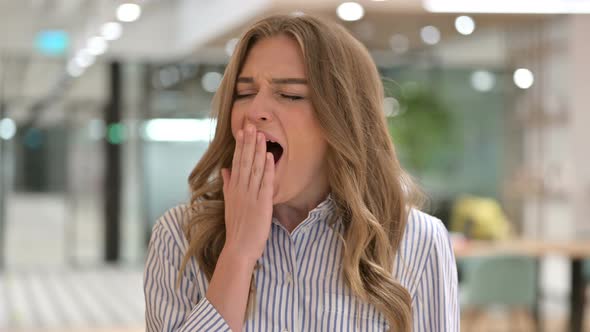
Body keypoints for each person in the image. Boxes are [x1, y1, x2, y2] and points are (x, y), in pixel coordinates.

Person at [144, 14, 459, 332]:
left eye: (290, 95)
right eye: (244, 93)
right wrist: (238, 252)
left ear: (342, 119)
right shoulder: (178, 236)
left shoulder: (419, 240)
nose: (254, 112)